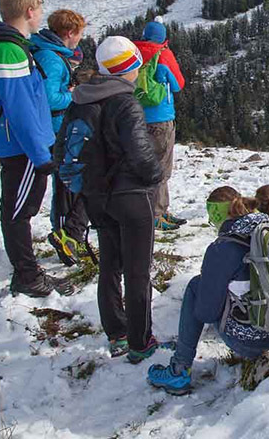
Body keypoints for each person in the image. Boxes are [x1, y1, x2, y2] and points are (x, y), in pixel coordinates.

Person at [57, 36, 165, 361]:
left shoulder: (81, 100)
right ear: (130, 66)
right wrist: (155, 177)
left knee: (110, 266)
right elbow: (141, 154)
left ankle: (116, 334)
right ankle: (140, 342)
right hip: (130, 196)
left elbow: (62, 148)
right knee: (137, 270)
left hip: (95, 197)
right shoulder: (125, 102)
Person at [147, 188, 269, 395]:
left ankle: (179, 370)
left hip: (252, 343)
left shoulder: (222, 249)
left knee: (196, 287)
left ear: (216, 215)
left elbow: (207, 313)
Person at [0, 0, 73, 297]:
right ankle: (27, 275)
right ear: (29, 12)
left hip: (24, 144)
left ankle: (26, 272)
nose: (41, 16)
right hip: (23, 147)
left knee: (19, 208)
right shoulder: (8, 51)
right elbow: (20, 108)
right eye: (39, 10)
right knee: (18, 210)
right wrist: (40, 153)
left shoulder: (13, 46)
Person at [31, 9, 92, 266]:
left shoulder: (47, 54)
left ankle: (67, 234)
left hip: (59, 130)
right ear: (69, 33)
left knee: (69, 184)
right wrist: (75, 94)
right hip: (57, 131)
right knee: (71, 184)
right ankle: (65, 234)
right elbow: (48, 98)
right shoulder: (53, 59)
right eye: (78, 34)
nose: (79, 39)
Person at [132, 19, 186, 231]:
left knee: (142, 165)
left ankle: (151, 210)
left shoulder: (134, 53)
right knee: (162, 167)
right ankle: (157, 213)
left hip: (136, 117)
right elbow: (178, 84)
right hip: (161, 118)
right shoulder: (163, 54)